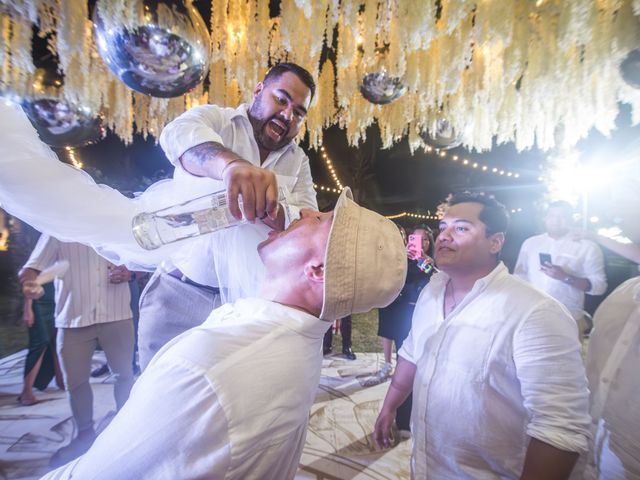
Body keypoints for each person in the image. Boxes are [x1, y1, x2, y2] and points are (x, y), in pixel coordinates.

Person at [40, 187, 407, 480]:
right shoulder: (298, 344)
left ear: (318, 269)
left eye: (321, 219)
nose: (305, 212)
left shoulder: (207, 367)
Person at [0, 62, 318, 370]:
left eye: (299, 112)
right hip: (179, 295)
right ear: (259, 90)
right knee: (157, 403)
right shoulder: (218, 120)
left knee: (228, 412)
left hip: (247, 307)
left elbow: (310, 220)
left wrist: (274, 211)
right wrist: (231, 166)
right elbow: (178, 135)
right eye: (282, 99)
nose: (288, 115)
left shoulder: (298, 161)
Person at [374, 192, 591, 479]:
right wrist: (389, 406)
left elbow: (560, 429)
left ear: (495, 242)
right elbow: (413, 354)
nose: (444, 236)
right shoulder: (432, 291)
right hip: (426, 466)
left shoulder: (536, 313)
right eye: (443, 227)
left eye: (461, 228)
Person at [21, 236, 135, 468]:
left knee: (124, 375)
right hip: (72, 319)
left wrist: (130, 273)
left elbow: (142, 262)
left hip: (117, 315)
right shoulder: (56, 229)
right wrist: (29, 283)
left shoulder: (114, 225)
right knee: (75, 383)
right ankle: (85, 435)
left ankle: (126, 432)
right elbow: (30, 269)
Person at [514, 200, 607, 334]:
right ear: (545, 218)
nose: (556, 221)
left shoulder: (587, 246)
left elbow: (599, 287)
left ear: (571, 219)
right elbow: (520, 277)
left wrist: (565, 277)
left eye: (562, 216)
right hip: (531, 315)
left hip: (568, 317)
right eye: (552, 216)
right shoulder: (531, 243)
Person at [17, 279, 63, 406]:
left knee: (58, 339)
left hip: (58, 296)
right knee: (40, 342)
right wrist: (27, 307)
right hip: (38, 300)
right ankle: (26, 391)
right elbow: (28, 277)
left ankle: (61, 380)